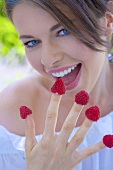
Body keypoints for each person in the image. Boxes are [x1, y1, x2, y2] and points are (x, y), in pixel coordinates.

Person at [0, 0, 113, 169]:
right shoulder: (8, 119)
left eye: (63, 31)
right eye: (31, 42)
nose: (48, 60)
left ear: (107, 21)